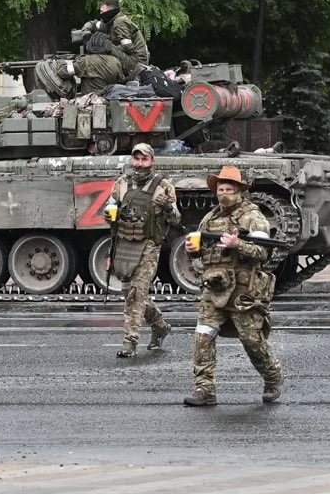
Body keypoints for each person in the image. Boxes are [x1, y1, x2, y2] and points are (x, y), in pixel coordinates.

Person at [183, 166, 283, 406]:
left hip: (243, 290)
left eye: (229, 189)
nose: (224, 193)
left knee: (252, 341)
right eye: (220, 189)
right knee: (203, 337)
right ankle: (204, 389)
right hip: (214, 286)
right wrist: (193, 251)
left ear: (239, 191)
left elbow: (264, 253)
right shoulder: (210, 218)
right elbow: (203, 255)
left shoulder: (253, 216)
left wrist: (239, 244)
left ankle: (272, 376)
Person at [104, 142, 181, 358]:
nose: (139, 164)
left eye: (144, 159)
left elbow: (176, 219)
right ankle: (160, 326)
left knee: (137, 292)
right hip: (125, 243)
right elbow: (110, 207)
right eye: (136, 159)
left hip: (149, 245)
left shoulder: (163, 186)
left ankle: (130, 341)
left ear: (152, 161)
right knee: (131, 292)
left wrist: (166, 206)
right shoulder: (122, 183)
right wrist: (108, 214)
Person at [81, 0, 149, 79]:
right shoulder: (109, 22)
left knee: (102, 44)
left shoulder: (120, 22)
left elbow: (128, 47)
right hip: (130, 59)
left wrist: (107, 46)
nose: (101, 14)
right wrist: (86, 33)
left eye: (102, 12)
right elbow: (92, 24)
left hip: (137, 64)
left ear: (110, 12)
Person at [55, 31, 124, 95]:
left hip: (90, 101)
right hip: (110, 100)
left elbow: (63, 72)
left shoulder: (86, 61)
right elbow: (121, 81)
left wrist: (60, 62)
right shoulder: (116, 61)